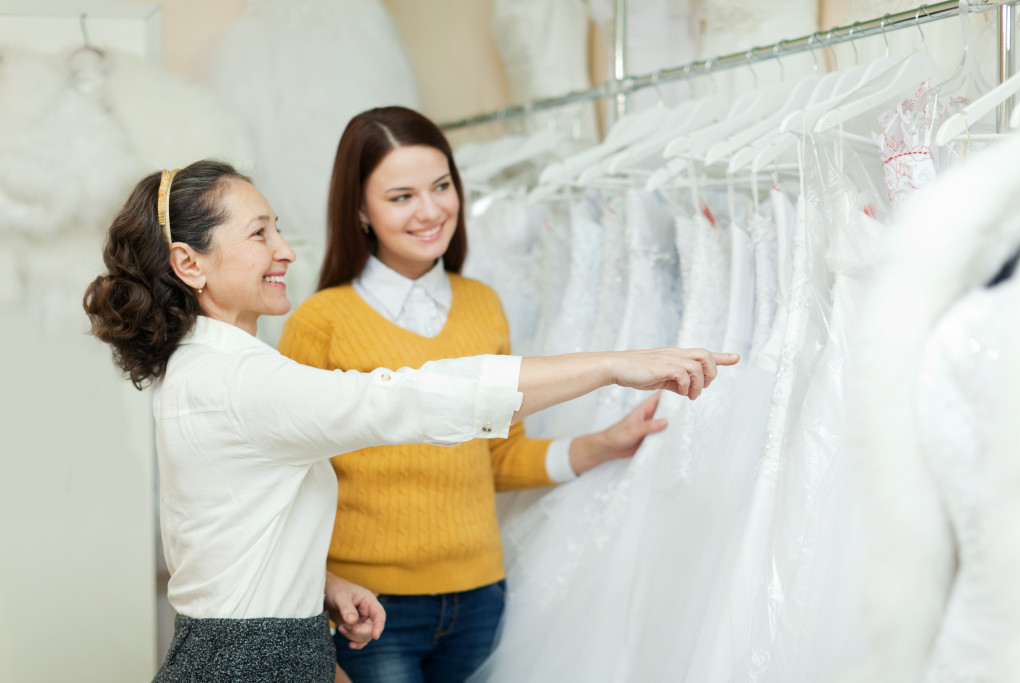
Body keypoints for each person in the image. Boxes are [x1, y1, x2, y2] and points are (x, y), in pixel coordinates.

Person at [82, 159, 738, 683]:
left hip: (249, 647)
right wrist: (613, 365)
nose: (284, 248)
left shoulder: (202, 366)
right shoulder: (240, 378)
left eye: (277, 227)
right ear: (189, 262)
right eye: (259, 234)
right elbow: (413, 397)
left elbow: (226, 525)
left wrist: (321, 585)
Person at [276, 106, 700, 683]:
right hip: (369, 610)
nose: (431, 211)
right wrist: (315, 606)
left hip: (480, 599)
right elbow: (285, 483)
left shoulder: (482, 303)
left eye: (442, 186)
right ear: (360, 211)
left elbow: (498, 456)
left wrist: (604, 444)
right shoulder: (320, 321)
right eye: (401, 196)